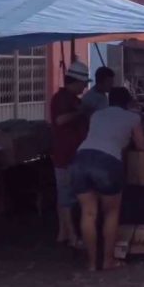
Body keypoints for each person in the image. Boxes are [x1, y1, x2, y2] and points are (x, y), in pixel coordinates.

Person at [69, 87, 144, 271]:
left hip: (80, 159)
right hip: (107, 163)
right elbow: (142, 146)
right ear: (128, 102)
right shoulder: (133, 117)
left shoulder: (97, 115)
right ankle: (108, 261)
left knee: (88, 213)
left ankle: (91, 263)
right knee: (111, 213)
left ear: (109, 100)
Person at [50, 61, 91, 248]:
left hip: (75, 154)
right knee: (67, 197)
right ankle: (73, 236)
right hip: (65, 154)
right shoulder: (61, 98)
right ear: (75, 81)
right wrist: (80, 112)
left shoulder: (75, 99)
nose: (85, 87)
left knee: (65, 197)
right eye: (84, 83)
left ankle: (62, 232)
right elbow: (60, 120)